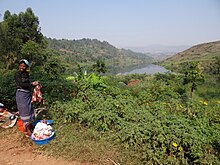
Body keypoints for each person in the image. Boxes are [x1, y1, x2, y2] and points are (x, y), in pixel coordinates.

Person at [15, 59, 39, 137]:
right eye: (21, 65)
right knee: (25, 112)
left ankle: (30, 126)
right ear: (19, 66)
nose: (22, 67)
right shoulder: (18, 74)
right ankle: (27, 130)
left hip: (27, 94)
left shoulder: (26, 74)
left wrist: (34, 86)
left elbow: (27, 84)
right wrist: (32, 84)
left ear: (26, 67)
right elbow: (22, 84)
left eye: (24, 66)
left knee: (29, 110)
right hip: (21, 95)